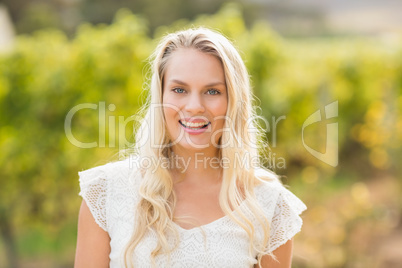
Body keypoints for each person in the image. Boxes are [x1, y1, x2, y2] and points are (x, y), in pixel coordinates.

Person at [74, 27, 306, 268]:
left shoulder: (268, 205)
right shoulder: (105, 191)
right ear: (161, 96)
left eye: (213, 91)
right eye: (179, 90)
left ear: (234, 102)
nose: (194, 106)